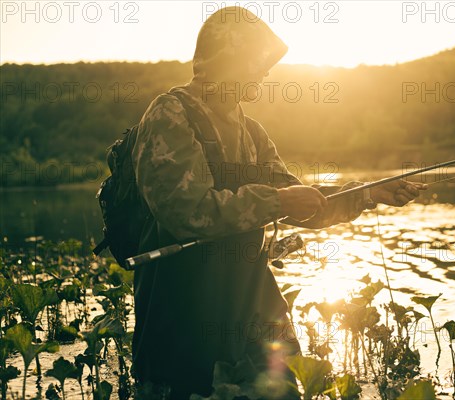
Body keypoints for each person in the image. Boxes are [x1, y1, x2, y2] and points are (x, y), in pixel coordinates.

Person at [131, 6, 427, 399]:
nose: (265, 72)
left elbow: (302, 203)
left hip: (252, 304)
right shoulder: (170, 113)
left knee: (284, 387)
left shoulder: (252, 131)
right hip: (184, 312)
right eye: (258, 61)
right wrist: (276, 199)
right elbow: (186, 212)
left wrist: (370, 193)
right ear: (227, 60)